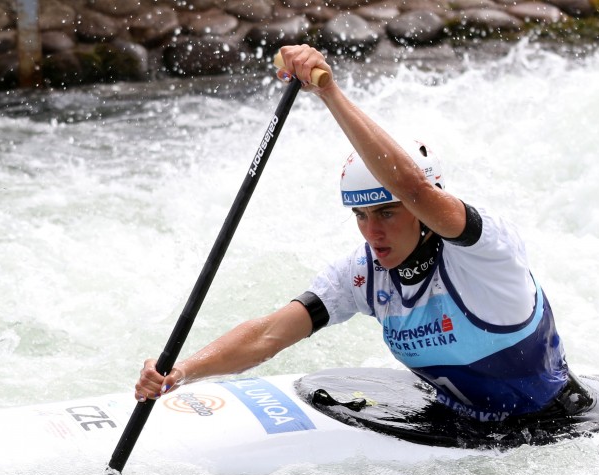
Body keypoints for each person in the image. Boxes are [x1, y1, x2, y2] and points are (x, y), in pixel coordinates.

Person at [134, 44, 572, 430]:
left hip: (551, 422)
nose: (372, 231)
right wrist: (181, 373)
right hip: (455, 418)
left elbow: (413, 188)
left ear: (427, 209)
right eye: (360, 215)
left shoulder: (485, 253)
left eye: (387, 212)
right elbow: (268, 335)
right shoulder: (365, 273)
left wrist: (329, 93)